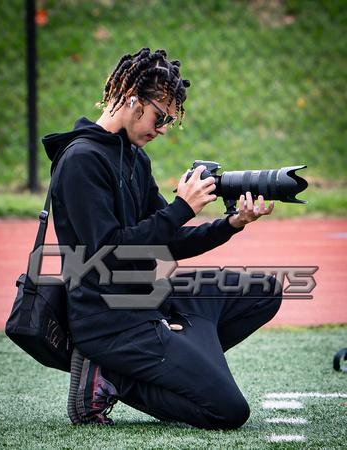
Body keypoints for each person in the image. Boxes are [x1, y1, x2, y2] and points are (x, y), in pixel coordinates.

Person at [43, 47, 281, 430]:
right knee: (229, 411)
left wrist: (231, 223)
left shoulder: (136, 159)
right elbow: (108, 252)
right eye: (160, 116)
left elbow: (167, 240)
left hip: (148, 298)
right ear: (131, 99)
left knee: (264, 291)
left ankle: (179, 350)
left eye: (170, 120)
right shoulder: (81, 160)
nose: (163, 128)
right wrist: (181, 208)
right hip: (110, 320)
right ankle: (114, 376)